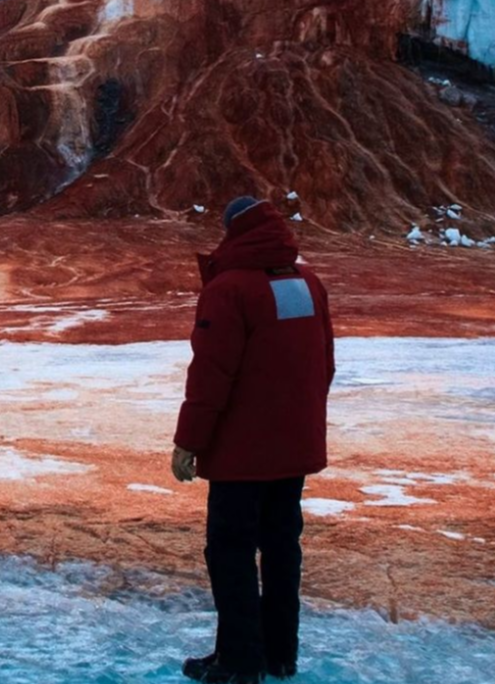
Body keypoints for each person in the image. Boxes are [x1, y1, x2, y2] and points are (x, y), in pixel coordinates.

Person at [171, 197, 335, 683]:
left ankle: (239, 662)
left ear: (233, 233)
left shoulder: (229, 290)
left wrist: (188, 442)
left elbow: (211, 375)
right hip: (293, 450)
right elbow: (324, 364)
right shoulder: (309, 283)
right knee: (283, 548)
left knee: (231, 552)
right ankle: (279, 654)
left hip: (241, 456)